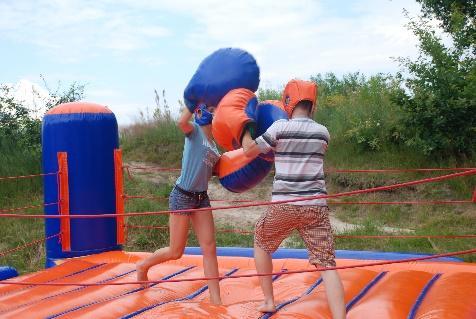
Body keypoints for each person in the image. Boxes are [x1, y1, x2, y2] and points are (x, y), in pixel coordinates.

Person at [242, 80, 345, 318]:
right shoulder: (323, 133)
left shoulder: (279, 127)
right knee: (327, 264)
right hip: (315, 207)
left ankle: (269, 301)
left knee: (260, 238)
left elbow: (249, 150)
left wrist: (246, 126)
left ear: (288, 101)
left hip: (284, 206)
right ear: (312, 105)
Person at [136, 104, 222, 305]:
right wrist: (191, 103)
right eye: (212, 108)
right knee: (176, 252)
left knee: (209, 248)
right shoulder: (194, 131)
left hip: (201, 198)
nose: (216, 111)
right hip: (182, 195)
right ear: (203, 112)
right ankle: (143, 266)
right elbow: (181, 122)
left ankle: (216, 300)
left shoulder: (215, 147)